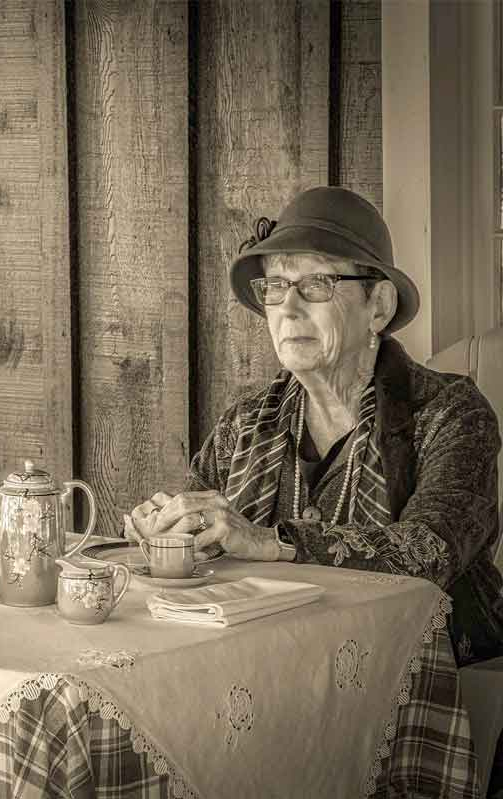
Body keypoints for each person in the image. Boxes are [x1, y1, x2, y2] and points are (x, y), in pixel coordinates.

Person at [128, 186, 503, 666]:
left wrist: (270, 541)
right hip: (261, 664)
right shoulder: (245, 424)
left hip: (420, 672)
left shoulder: (450, 413)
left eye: (318, 284)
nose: (288, 307)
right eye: (276, 286)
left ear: (379, 307)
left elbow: (429, 551)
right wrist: (172, 531)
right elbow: (206, 534)